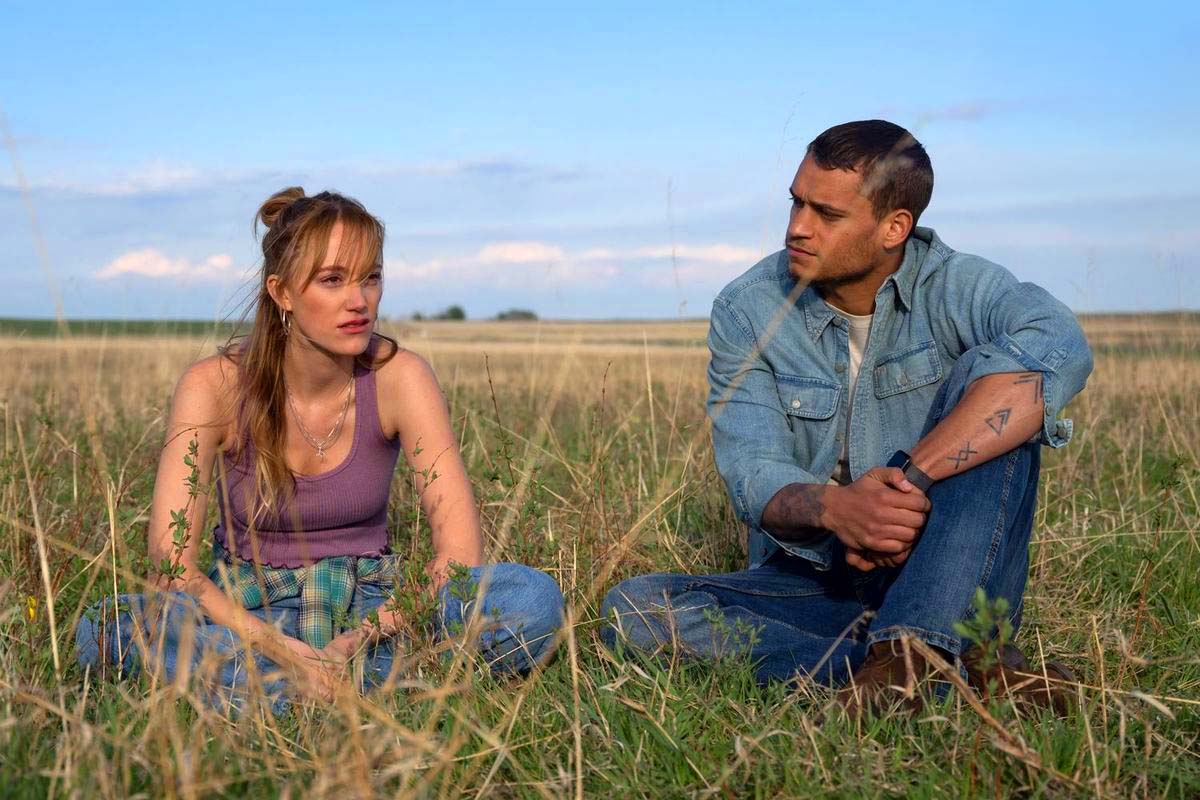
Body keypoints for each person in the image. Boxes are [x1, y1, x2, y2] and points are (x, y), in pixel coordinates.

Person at [602, 120, 1092, 715]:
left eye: (826, 214)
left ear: (895, 228)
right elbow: (753, 473)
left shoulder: (960, 286)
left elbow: (1060, 348)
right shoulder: (748, 307)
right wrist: (840, 510)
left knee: (999, 382)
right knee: (634, 612)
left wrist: (905, 486)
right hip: (818, 577)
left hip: (945, 566)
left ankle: (914, 649)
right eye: (796, 202)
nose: (797, 228)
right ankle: (929, 670)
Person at [76, 188, 564, 715]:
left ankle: (284, 691)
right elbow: (173, 568)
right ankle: (368, 688)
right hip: (248, 614)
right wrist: (280, 648)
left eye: (370, 277)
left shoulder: (402, 378)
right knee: (108, 627)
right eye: (333, 280)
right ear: (281, 292)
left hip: (376, 616)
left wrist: (351, 643)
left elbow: (460, 556)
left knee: (531, 599)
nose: (359, 301)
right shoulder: (213, 386)